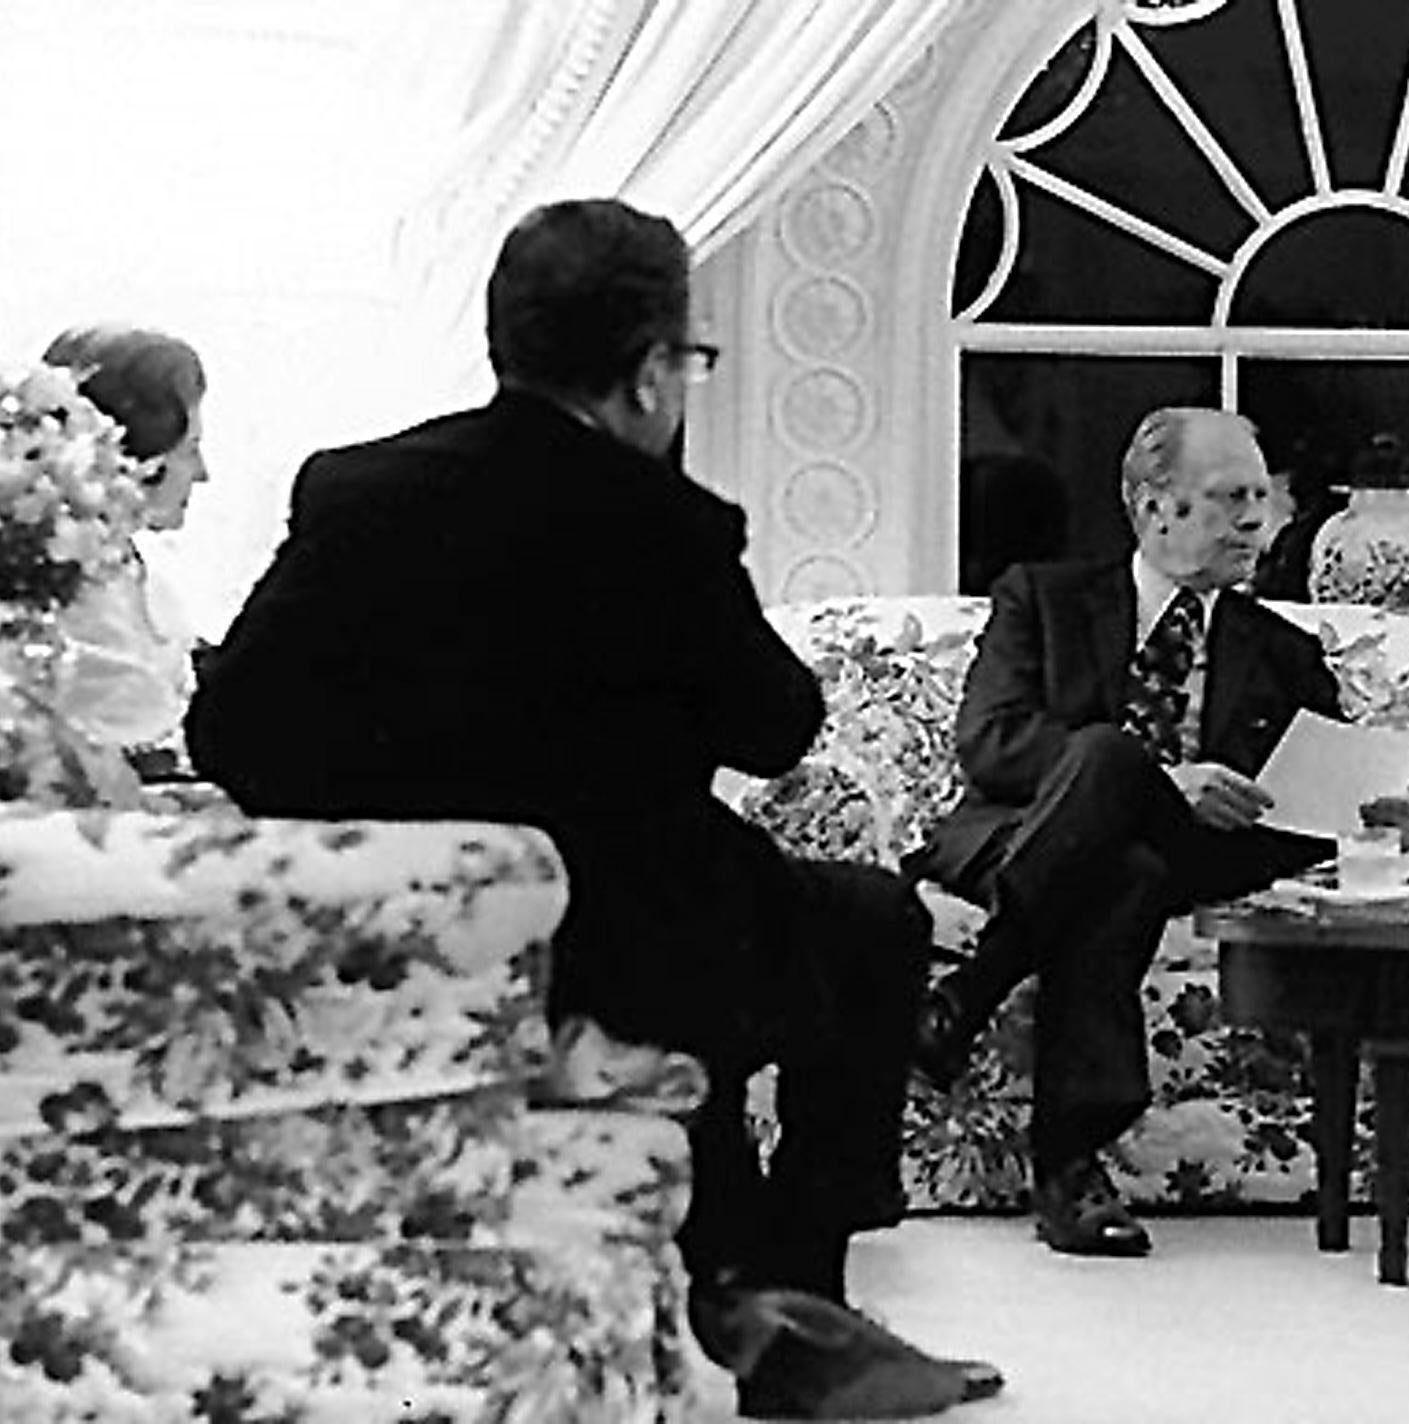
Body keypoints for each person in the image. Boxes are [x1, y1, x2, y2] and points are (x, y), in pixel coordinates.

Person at [184, 199, 1000, 1419]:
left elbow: (229, 733)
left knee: (766, 921)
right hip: (628, 941)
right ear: (647, 370)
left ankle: (734, 1286)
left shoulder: (355, 489)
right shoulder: (665, 524)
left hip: (410, 941)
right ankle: (795, 1294)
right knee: (874, 922)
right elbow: (776, 726)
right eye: (685, 361)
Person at [907, 406, 1350, 1257]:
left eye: (1262, 496)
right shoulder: (1042, 598)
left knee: (1134, 842)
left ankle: (966, 996)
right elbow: (992, 743)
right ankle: (1070, 1167)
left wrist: (1390, 813)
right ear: (1153, 508)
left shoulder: (1285, 651)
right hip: (1021, 836)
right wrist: (1157, 782)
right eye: (1228, 498)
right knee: (1117, 830)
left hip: (1189, 858)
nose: (1256, 520)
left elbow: (1326, 796)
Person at [39, 324, 207, 758]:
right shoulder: (81, 607)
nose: (203, 472)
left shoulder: (128, 571)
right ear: (139, 464)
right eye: (190, 450)